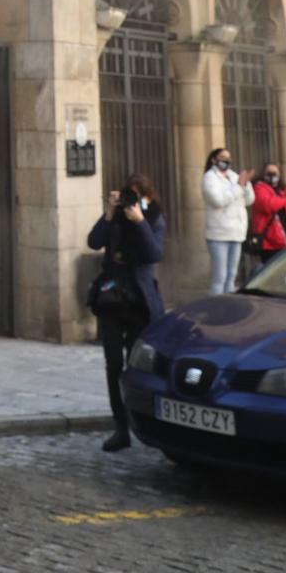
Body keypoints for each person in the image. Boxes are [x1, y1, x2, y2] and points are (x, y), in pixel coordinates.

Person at [87, 175, 165, 453]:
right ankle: (120, 427)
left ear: (147, 197)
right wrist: (109, 214)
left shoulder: (153, 218)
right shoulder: (115, 218)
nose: (130, 203)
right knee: (112, 364)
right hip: (112, 299)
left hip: (139, 301)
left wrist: (140, 222)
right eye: (127, 197)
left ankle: (140, 421)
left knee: (136, 365)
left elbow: (154, 253)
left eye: (136, 197)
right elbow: (94, 242)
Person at [201, 146, 254, 293]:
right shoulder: (209, 178)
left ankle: (229, 308)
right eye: (223, 158)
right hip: (219, 234)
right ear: (214, 160)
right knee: (220, 277)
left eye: (228, 158)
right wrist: (239, 186)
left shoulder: (233, 175)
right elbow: (219, 200)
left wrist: (246, 184)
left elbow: (249, 200)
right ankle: (216, 310)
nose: (227, 161)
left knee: (231, 276)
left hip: (236, 233)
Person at [247, 163, 286, 259]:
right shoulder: (259, 188)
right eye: (269, 173)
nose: (272, 176)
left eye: (275, 173)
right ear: (263, 174)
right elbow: (268, 205)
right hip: (270, 243)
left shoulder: (282, 190)